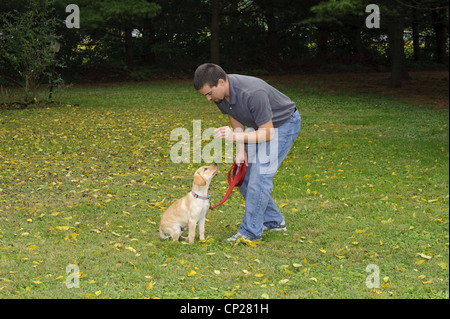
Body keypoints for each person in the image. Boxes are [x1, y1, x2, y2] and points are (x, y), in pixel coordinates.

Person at [193, 63, 301, 241]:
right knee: (242, 177)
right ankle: (273, 221)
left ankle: (250, 232)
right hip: (260, 127)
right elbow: (234, 116)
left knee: (260, 175)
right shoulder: (221, 96)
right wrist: (241, 151)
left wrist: (235, 137)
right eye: (205, 95)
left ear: (221, 82)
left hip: (283, 125)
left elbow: (268, 133)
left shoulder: (252, 93)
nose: (208, 99)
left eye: (209, 93)